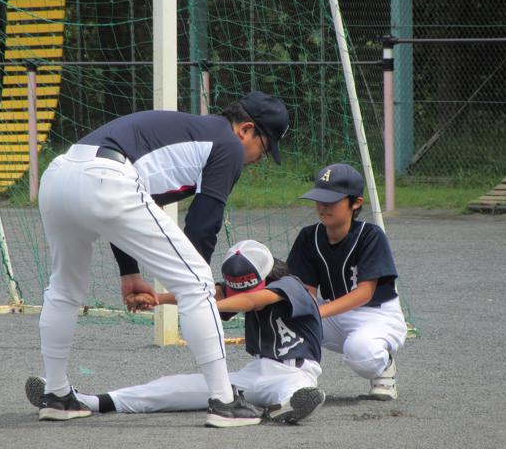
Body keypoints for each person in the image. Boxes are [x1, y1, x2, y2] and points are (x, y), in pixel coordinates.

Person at [34, 91, 289, 427]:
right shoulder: (227, 144)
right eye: (265, 147)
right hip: (107, 177)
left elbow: (134, 203)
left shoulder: (193, 132)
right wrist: (196, 287)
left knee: (65, 288)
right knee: (196, 281)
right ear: (246, 129)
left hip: (59, 175)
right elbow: (203, 224)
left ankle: (56, 395)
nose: (259, 158)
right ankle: (225, 402)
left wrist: (130, 273)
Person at [26, 240, 325, 426]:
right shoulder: (237, 287)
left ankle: (288, 406)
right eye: (234, 286)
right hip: (255, 373)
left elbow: (251, 300)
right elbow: (206, 294)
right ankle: (88, 401)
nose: (237, 291)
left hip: (297, 372)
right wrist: (158, 299)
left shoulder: (290, 285)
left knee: (300, 392)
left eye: (246, 285)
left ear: (265, 274)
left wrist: (206, 305)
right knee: (173, 387)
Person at [287, 163, 407, 400]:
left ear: (356, 203)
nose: (323, 206)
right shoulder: (309, 237)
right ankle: (296, 383)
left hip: (376, 315)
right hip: (333, 312)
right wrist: (305, 313)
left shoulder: (370, 235)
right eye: (319, 199)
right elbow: (305, 290)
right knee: (290, 324)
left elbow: (364, 293)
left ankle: (384, 366)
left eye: (331, 200)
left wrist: (316, 313)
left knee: (361, 352)